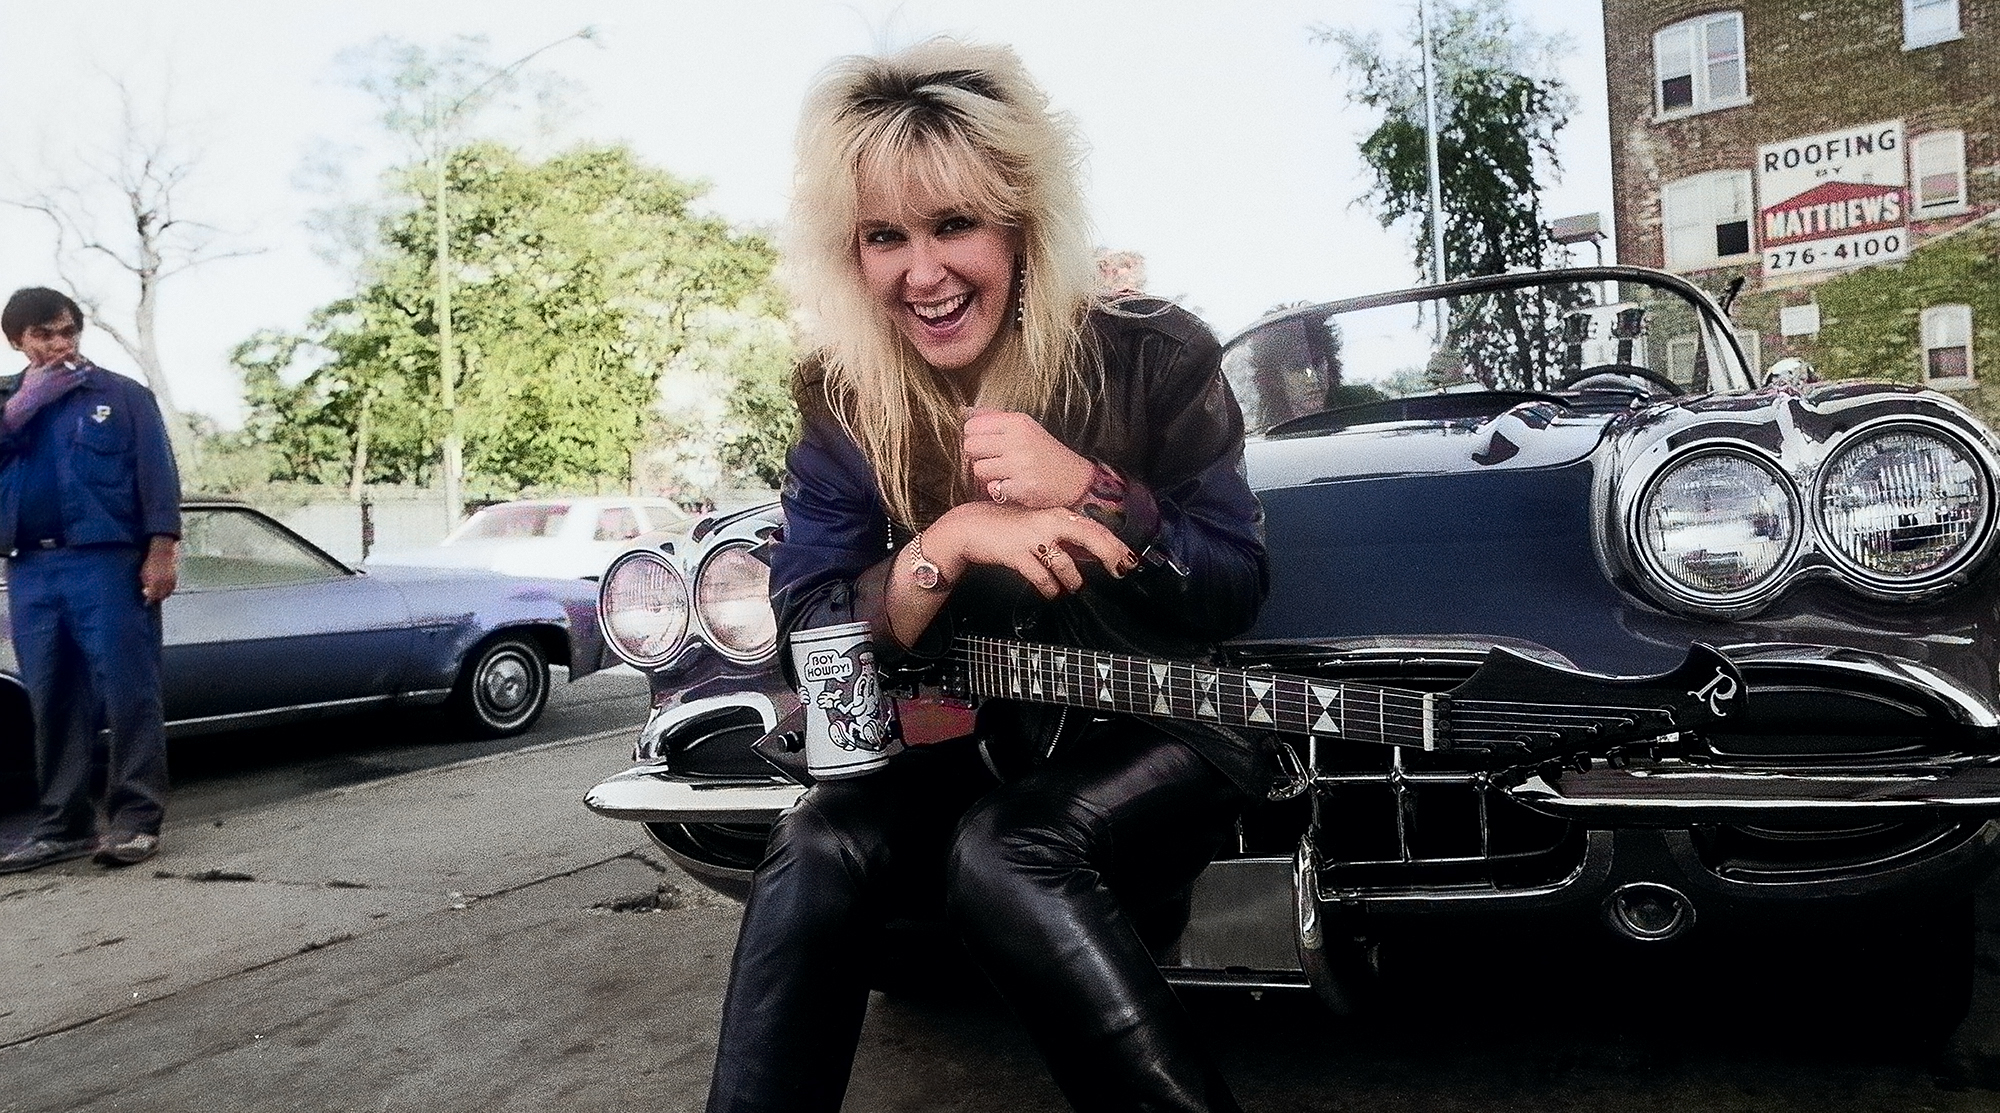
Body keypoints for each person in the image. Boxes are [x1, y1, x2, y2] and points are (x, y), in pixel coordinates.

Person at [705, 40, 1270, 1113]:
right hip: (967, 742)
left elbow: (1233, 586)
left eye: (953, 224)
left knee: (1010, 849)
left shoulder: (1150, 354)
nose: (922, 274)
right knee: (817, 838)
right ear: (851, 252)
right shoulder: (844, 402)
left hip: (1164, 727)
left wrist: (1096, 488)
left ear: (1019, 224)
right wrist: (944, 542)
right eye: (885, 237)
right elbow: (812, 639)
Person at [0, 287, 181, 873]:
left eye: (67, 331)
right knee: (51, 698)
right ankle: (64, 826)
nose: (59, 344)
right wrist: (24, 406)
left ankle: (135, 821)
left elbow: (157, 475)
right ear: (17, 341)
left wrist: (161, 551)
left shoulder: (121, 396)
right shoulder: (7, 402)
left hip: (106, 561)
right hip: (29, 566)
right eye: (44, 334)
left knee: (129, 691)